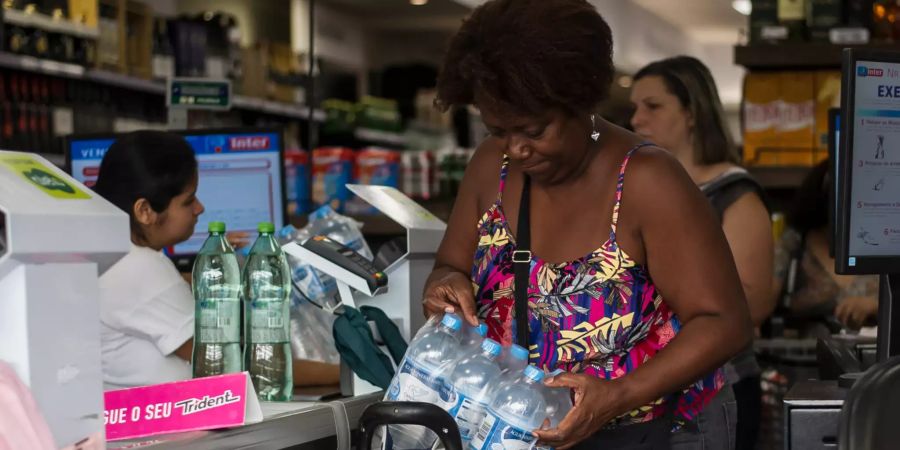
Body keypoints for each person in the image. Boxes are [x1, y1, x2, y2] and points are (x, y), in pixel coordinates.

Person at [424, 1, 752, 448]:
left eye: (534, 130)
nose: (516, 149)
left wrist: (617, 396)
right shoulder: (490, 168)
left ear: (578, 102)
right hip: (524, 429)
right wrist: (445, 283)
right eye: (498, 130)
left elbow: (723, 322)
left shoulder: (648, 181)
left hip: (659, 430)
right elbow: (450, 264)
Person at [93, 130, 338, 390]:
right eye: (188, 201)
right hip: (163, 428)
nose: (200, 208)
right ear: (145, 211)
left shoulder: (112, 256)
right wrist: (343, 374)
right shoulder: (142, 269)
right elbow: (236, 365)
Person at [630, 56, 774, 450]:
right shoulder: (640, 190)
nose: (637, 119)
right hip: (646, 391)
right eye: (635, 107)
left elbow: (752, 304)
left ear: (692, 112)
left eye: (653, 106)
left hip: (716, 389)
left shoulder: (734, 195)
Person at [773, 160, 879, 332]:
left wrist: (876, 307)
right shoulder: (795, 242)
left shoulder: (886, 242)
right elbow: (760, 304)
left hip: (876, 351)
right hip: (804, 351)